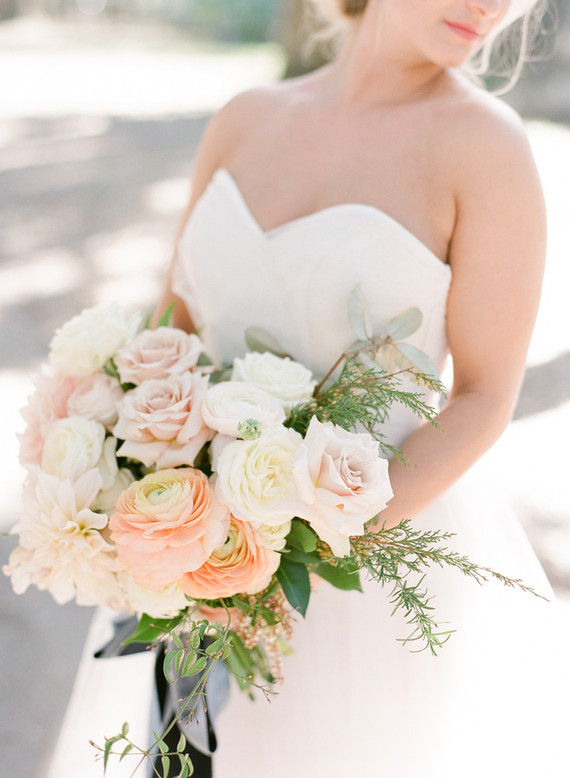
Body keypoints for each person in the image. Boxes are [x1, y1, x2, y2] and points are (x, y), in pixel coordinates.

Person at [48, 1, 568, 776]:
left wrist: (290, 553)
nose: (494, 5)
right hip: (194, 556)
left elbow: (484, 397)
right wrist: (134, 486)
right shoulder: (243, 119)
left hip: (371, 575)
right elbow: (172, 329)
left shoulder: (486, 147)